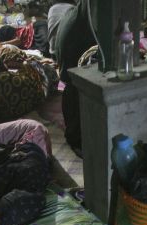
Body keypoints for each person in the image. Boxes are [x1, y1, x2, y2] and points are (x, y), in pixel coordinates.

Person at [54, 0, 96, 151]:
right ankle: (78, 135)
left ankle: (75, 133)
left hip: (67, 71)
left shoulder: (75, 14)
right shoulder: (84, 19)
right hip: (73, 73)